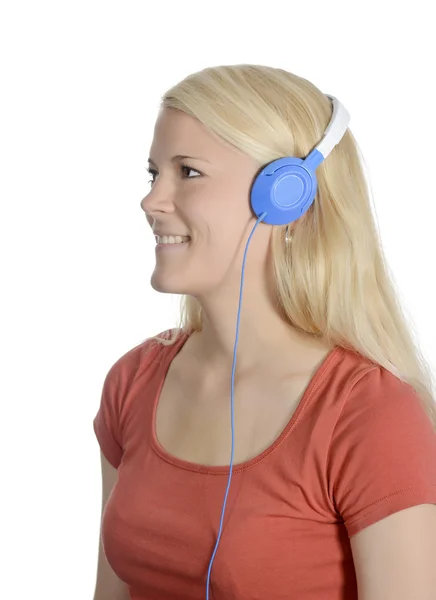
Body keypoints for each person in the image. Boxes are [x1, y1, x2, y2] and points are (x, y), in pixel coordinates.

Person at [92, 64, 436, 600]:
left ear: (285, 196)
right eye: (153, 172)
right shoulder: (132, 383)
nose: (152, 200)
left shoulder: (367, 414)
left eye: (189, 172)